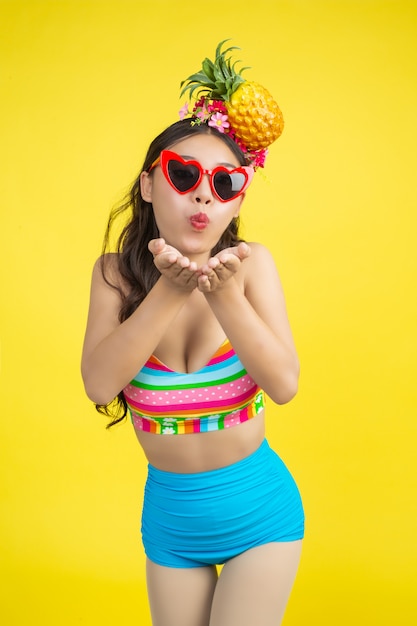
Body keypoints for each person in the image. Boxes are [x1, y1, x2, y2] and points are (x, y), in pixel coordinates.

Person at [81, 43, 304, 626]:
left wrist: (223, 294)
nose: (204, 194)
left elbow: (283, 384)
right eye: (184, 175)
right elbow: (99, 384)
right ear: (150, 185)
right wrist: (171, 289)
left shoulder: (252, 267)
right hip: (171, 528)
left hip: (262, 518)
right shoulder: (113, 275)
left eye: (225, 182)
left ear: (236, 200)